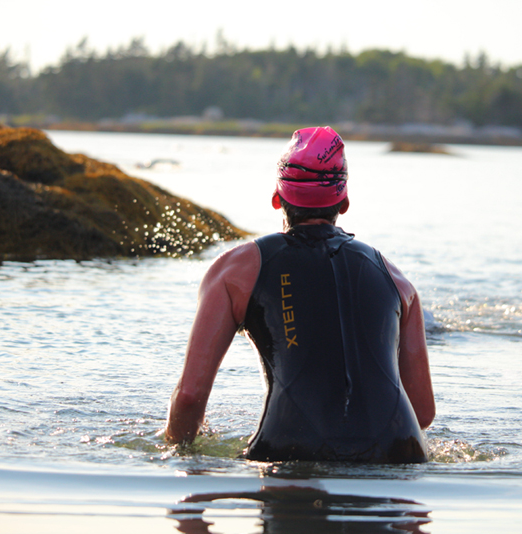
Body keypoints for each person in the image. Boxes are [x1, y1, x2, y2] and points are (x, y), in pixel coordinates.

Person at [164, 126, 435, 463]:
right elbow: (422, 412)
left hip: (289, 447)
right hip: (400, 449)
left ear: (278, 198)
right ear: (344, 201)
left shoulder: (233, 271)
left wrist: (177, 451)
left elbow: (189, 396)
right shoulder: (398, 280)